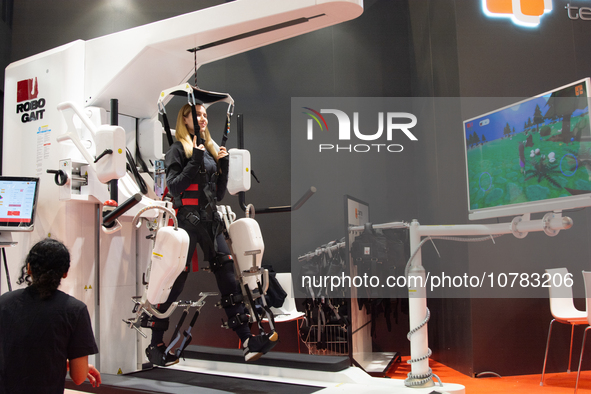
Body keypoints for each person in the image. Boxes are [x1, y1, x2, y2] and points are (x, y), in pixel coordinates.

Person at [144, 102, 277, 365]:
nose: (203, 118)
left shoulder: (209, 151)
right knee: (174, 280)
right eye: (198, 114)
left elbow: (216, 195)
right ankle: (155, 344)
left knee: (228, 276)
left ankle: (247, 340)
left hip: (211, 221)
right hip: (186, 222)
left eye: (205, 115)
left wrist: (223, 166)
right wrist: (194, 159)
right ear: (185, 119)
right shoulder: (178, 149)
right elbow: (174, 186)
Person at [0, 238, 101, 394]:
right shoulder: (75, 310)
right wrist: (72, 364)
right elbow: (79, 377)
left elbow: (20, 352)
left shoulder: (4, 302)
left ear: (28, 268)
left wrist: (62, 362)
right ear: (65, 272)